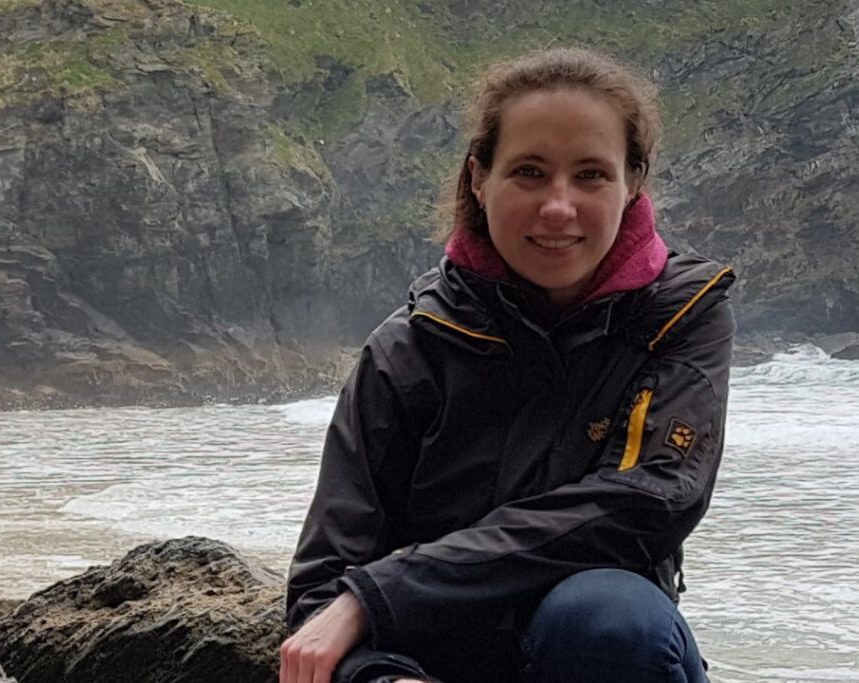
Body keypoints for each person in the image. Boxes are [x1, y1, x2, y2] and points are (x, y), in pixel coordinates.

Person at [281, 47, 735, 683]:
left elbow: (645, 504)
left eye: (590, 175)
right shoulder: (408, 349)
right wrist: (382, 674)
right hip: (435, 664)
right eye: (528, 171)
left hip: (600, 655)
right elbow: (326, 580)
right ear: (478, 177)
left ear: (634, 181)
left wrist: (382, 594)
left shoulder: (676, 318)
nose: (558, 207)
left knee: (607, 615)